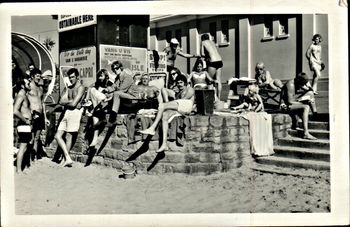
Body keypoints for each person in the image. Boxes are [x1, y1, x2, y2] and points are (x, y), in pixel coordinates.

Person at [139, 74, 195, 153]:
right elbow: (163, 90)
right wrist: (173, 94)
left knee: (162, 106)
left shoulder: (190, 89)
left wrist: (169, 103)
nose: (179, 84)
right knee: (164, 116)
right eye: (178, 83)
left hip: (186, 105)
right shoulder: (178, 92)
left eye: (181, 82)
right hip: (179, 108)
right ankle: (164, 144)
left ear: (185, 83)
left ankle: (152, 128)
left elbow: (185, 99)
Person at [54, 68, 85, 167]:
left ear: (77, 77)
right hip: (66, 112)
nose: (71, 79)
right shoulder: (68, 88)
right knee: (57, 136)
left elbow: (74, 104)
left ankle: (65, 159)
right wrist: (70, 102)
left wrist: (68, 102)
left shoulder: (81, 88)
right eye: (69, 77)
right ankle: (67, 157)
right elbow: (61, 102)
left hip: (75, 112)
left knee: (68, 136)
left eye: (72, 77)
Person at [281, 72, 317, 140]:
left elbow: (308, 91)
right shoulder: (290, 85)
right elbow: (289, 102)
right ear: (298, 81)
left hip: (293, 101)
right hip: (285, 106)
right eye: (302, 84)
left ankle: (315, 115)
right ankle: (306, 133)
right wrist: (304, 103)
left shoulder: (298, 83)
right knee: (306, 107)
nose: (303, 85)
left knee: (310, 94)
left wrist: (309, 90)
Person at [105, 61, 142, 125]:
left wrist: (111, 93)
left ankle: (112, 118)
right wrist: (106, 90)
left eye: (117, 68)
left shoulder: (127, 77)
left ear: (121, 68)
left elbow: (121, 90)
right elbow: (113, 87)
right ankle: (99, 115)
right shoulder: (118, 78)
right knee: (106, 94)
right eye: (113, 69)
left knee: (116, 94)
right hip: (125, 98)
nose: (115, 70)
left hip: (133, 99)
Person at [84, 69, 114, 148]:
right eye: (99, 76)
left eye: (101, 76)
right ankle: (95, 138)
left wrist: (106, 98)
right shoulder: (96, 85)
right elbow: (90, 89)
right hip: (98, 107)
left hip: (106, 105)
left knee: (93, 91)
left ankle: (95, 138)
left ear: (106, 76)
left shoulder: (110, 84)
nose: (100, 78)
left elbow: (112, 96)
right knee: (92, 89)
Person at [27, 68, 49, 161]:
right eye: (37, 76)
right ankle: (28, 157)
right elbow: (25, 100)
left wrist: (46, 117)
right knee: (30, 138)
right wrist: (29, 112)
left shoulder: (40, 88)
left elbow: (42, 102)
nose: (39, 78)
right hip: (32, 114)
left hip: (40, 115)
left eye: (40, 76)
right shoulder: (28, 87)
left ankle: (34, 157)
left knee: (37, 137)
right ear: (32, 76)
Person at [13, 78, 33, 173]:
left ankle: (19, 166)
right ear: (22, 85)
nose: (29, 84)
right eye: (28, 83)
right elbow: (15, 111)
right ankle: (19, 170)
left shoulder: (23, 95)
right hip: (24, 124)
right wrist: (25, 120)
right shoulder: (21, 95)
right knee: (23, 147)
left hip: (25, 124)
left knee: (25, 147)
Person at [201, 33, 223, 99]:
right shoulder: (212, 42)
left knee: (209, 81)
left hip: (212, 62)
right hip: (219, 60)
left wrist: (206, 57)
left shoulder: (203, 42)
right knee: (218, 80)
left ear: (202, 38)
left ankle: (211, 100)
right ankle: (218, 98)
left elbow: (202, 54)